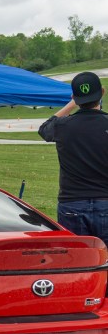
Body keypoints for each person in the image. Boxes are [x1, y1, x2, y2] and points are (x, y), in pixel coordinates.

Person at [38, 71, 108, 246]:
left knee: (78, 261)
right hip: (105, 201)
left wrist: (71, 104)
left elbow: (44, 129)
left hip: (72, 203)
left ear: (74, 98)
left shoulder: (63, 126)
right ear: (102, 92)